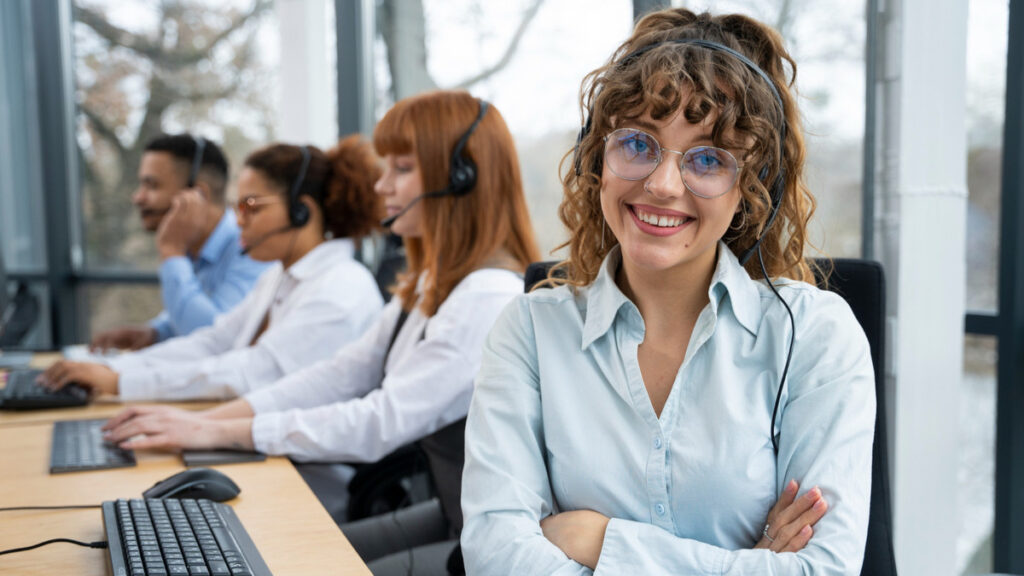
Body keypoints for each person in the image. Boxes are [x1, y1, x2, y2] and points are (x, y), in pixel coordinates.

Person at [460, 8, 875, 575]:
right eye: (637, 143)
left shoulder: (814, 336)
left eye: (708, 159)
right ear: (597, 158)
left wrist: (601, 540)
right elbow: (495, 555)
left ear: (752, 190)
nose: (661, 184)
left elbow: (821, 570)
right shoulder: (530, 331)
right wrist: (741, 566)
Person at [99, 91, 541, 572]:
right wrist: (206, 427)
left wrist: (219, 430)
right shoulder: (436, 282)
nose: (382, 185)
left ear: (460, 179)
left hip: (492, 548)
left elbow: (379, 421)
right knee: (278, 554)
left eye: (401, 168)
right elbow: (342, 372)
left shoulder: (486, 297)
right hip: (454, 514)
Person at [41, 137, 385, 401]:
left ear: (302, 212)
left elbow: (250, 373)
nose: (239, 220)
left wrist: (120, 382)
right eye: (239, 206)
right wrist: (110, 369)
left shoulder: (339, 290)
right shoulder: (276, 277)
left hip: (304, 478)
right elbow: (211, 343)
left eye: (252, 207)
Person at [90, 134, 269, 351]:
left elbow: (212, 339)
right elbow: (194, 317)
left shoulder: (252, 250)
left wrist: (171, 251)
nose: (138, 197)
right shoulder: (195, 246)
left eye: (152, 186)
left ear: (198, 194)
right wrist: (155, 333)